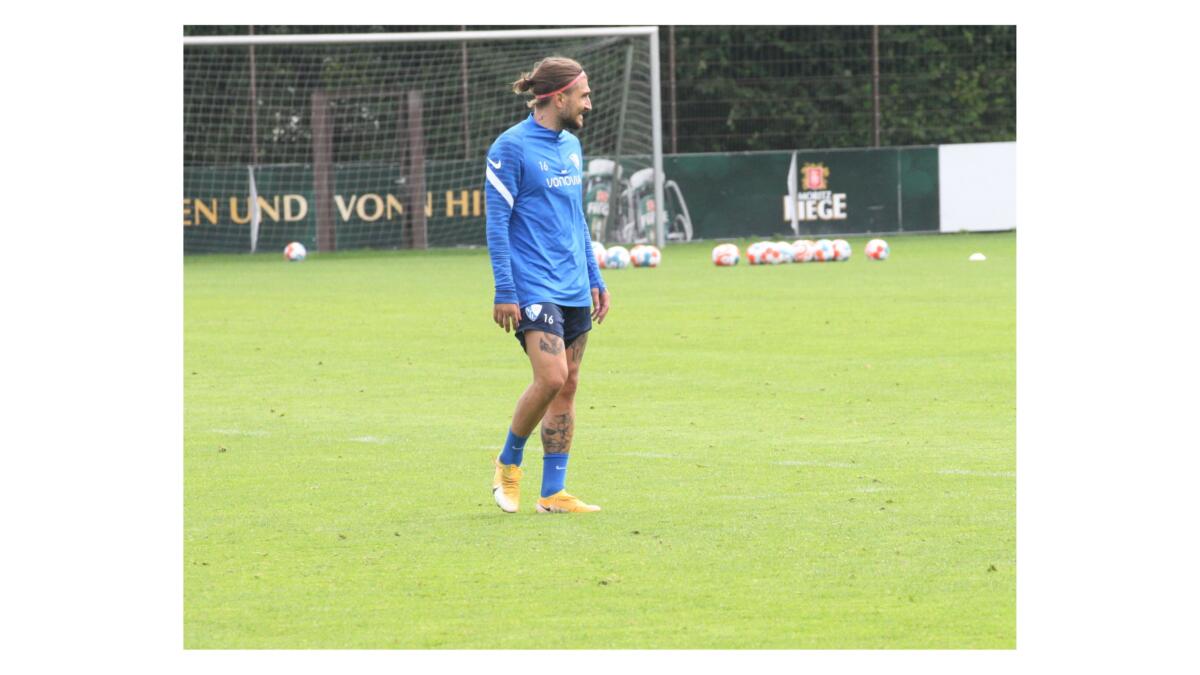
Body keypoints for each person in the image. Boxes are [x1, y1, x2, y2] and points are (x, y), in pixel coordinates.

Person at [484, 56, 611, 514]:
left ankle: (552, 492)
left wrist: (595, 277)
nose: (589, 104)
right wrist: (505, 290)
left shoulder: (571, 147)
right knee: (551, 376)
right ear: (558, 97)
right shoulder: (510, 147)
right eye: (584, 94)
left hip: (574, 283)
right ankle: (508, 463)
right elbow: (497, 224)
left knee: (569, 385)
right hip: (533, 286)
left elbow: (576, 219)